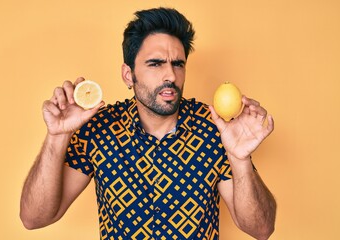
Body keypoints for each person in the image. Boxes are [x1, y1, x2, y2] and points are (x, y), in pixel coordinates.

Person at [20, 7, 276, 240]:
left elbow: (261, 229)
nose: (170, 75)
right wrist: (57, 136)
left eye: (178, 64)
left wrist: (240, 159)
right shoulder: (99, 129)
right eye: (155, 64)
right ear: (128, 74)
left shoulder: (214, 129)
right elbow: (35, 218)